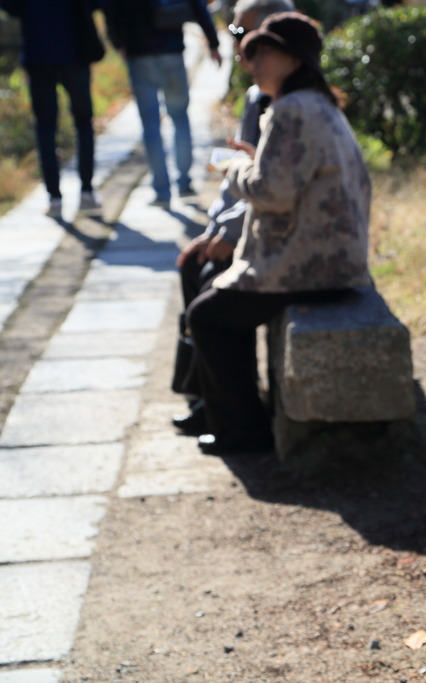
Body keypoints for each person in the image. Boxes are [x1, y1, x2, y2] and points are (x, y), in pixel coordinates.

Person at [184, 11, 373, 455]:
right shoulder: (319, 104)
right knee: (213, 295)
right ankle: (236, 416)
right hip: (333, 258)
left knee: (206, 316)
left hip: (306, 265)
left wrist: (236, 168)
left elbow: (273, 192)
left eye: (263, 54)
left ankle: (242, 431)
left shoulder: (291, 109)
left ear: (292, 59)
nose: (254, 65)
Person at [170, 0, 295, 434]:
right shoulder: (257, 96)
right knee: (193, 267)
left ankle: (235, 416)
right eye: (237, 36)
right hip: (253, 226)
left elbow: (273, 185)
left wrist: (228, 235)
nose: (240, 49)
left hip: (273, 235)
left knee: (211, 287)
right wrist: (213, 229)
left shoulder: (290, 104)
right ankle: (208, 396)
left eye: (248, 39)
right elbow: (236, 175)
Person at [104, 0, 222, 208]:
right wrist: (213, 42)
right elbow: (198, 6)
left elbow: (111, 11)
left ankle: (162, 191)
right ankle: (184, 183)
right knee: (180, 118)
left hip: (139, 55)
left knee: (151, 126)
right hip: (172, 52)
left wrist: (119, 43)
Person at [0, 0, 107, 219]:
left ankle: (54, 198)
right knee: (83, 122)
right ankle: (86, 191)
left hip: (39, 55)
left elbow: (11, 7)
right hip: (75, 52)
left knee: (46, 127)